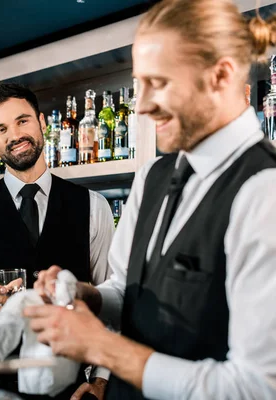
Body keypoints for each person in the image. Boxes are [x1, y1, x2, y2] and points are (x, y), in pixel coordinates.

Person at [23, 0, 276, 399]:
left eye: (158, 83)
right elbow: (128, 292)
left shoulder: (265, 190)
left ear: (221, 76)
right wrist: (82, 294)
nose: (140, 105)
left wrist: (102, 346)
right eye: (139, 84)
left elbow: (254, 388)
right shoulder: (153, 176)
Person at [0, 82, 115, 399]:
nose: (14, 135)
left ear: (42, 123)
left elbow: (112, 305)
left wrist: (100, 380)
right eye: (0, 129)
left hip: (69, 391)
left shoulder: (94, 207)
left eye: (22, 121)